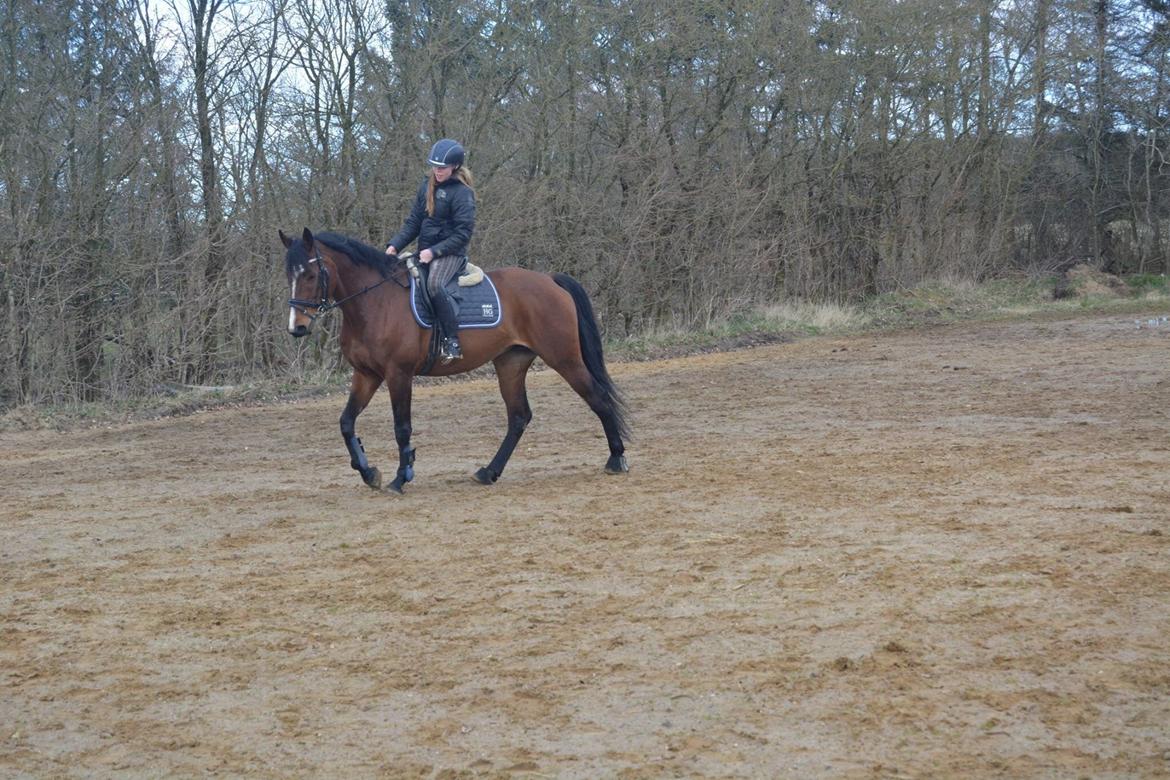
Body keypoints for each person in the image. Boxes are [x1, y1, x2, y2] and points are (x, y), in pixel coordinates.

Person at [385, 139, 476, 362]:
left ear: (454, 166)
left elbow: (463, 233)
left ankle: (452, 341)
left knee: (435, 284)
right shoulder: (427, 186)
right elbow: (414, 223)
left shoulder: (462, 193)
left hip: (451, 253)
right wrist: (394, 245)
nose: (437, 171)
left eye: (442, 168)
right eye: (435, 166)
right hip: (425, 250)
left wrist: (434, 252)